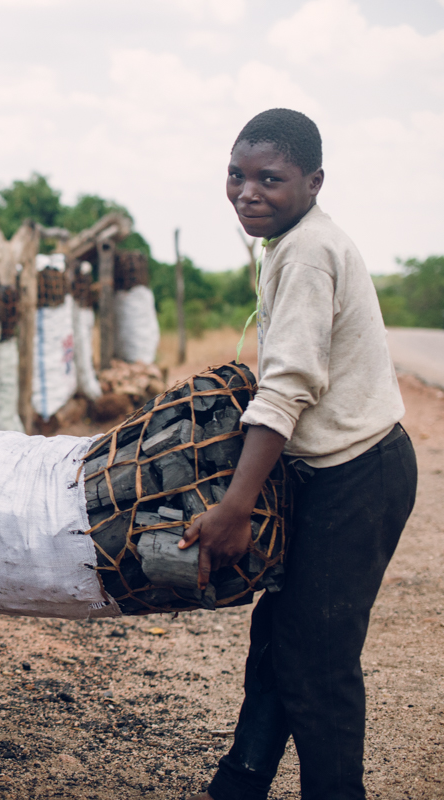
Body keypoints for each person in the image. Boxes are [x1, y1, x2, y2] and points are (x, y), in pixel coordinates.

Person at [181, 108, 417, 800]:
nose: (248, 192)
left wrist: (236, 505)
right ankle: (239, 782)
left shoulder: (310, 251)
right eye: (237, 174)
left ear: (314, 182)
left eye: (270, 179)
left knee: (319, 663)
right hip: (333, 472)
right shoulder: (288, 242)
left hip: (358, 476)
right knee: (279, 641)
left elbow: (289, 387)